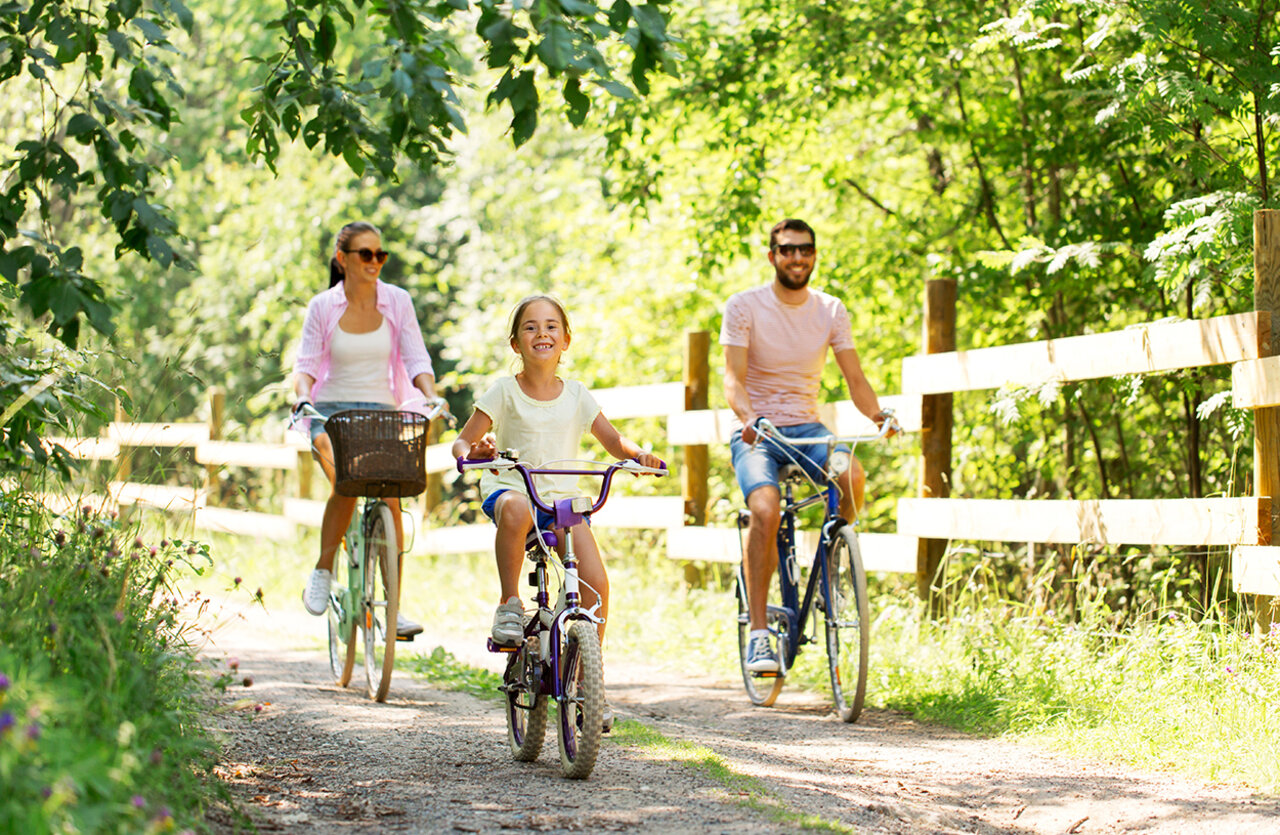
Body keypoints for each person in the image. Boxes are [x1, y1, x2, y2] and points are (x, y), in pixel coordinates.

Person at [450, 294, 663, 728]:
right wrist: (475, 450)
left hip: (560, 502)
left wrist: (638, 455)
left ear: (566, 340)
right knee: (513, 509)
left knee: (596, 586)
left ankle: (587, 685)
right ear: (515, 344)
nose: (541, 333)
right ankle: (510, 601)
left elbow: (614, 441)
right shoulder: (504, 392)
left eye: (551, 327)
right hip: (515, 489)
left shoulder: (578, 395)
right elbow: (463, 440)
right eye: (530, 327)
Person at [721, 218, 893, 674]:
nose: (797, 258)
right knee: (764, 510)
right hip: (759, 433)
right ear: (772, 255)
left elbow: (855, 379)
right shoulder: (744, 306)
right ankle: (760, 633)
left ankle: (831, 561)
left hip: (809, 431)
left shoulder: (830, 309)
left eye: (805, 250)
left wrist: (879, 415)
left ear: (814, 255)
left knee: (851, 474)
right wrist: (748, 418)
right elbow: (732, 380)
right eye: (788, 250)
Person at [292, 220, 444, 639]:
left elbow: (416, 358)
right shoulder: (323, 306)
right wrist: (302, 396)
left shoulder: (397, 301)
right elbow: (305, 366)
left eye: (380, 254)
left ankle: (392, 607)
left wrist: (429, 396)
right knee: (346, 481)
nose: (374, 261)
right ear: (342, 259)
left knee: (391, 495)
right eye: (365, 254)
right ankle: (324, 568)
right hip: (331, 413)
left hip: (381, 412)